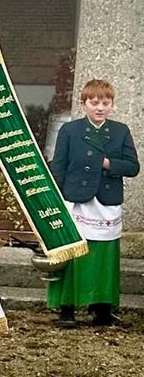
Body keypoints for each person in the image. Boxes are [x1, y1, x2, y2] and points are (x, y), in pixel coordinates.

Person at [48, 78, 139, 328]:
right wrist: (57, 198)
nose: (100, 108)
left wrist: (109, 164)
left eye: (105, 103)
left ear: (112, 105)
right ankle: (66, 308)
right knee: (73, 253)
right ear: (83, 104)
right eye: (94, 102)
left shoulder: (120, 131)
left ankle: (102, 308)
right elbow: (59, 166)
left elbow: (133, 167)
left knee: (103, 258)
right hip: (76, 200)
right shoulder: (70, 130)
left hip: (106, 202)